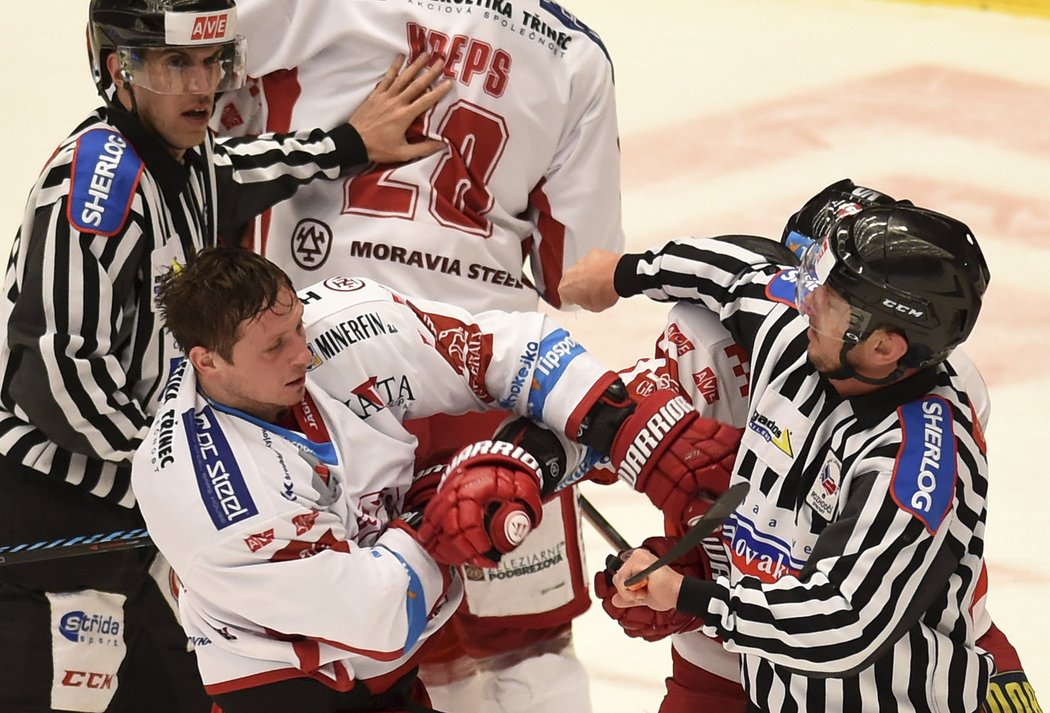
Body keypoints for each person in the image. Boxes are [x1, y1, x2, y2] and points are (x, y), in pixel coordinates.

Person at [0, 0, 453, 710]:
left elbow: (239, 169)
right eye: (176, 63)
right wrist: (179, 484)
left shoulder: (186, 156)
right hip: (57, 525)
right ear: (119, 68)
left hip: (140, 525)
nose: (202, 86)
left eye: (211, 61)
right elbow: (57, 383)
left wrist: (347, 143)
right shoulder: (95, 188)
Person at [208, 1, 625, 709]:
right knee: (530, 645)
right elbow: (579, 275)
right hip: (488, 378)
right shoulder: (573, 50)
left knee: (372, 652)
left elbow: (182, 82)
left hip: (323, 377)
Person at [131, 245, 738, 712]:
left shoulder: (341, 324)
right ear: (205, 361)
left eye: (296, 326)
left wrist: (621, 425)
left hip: (393, 683)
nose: (302, 354)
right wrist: (451, 498)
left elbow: (511, 350)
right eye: (273, 348)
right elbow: (382, 617)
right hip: (291, 694)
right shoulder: (207, 488)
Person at [586, 186, 1041, 712]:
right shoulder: (802, 341)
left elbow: (845, 619)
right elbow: (739, 276)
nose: (803, 300)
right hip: (778, 678)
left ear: (883, 345)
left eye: (828, 294)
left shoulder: (923, 456)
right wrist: (626, 273)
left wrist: (694, 597)